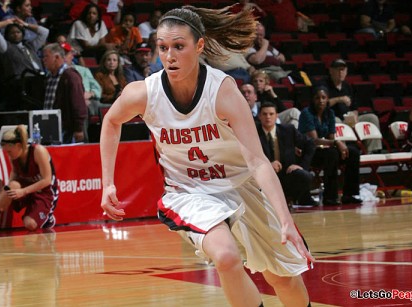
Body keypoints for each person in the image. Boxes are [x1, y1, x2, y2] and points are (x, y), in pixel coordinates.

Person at [100, 6, 313, 307]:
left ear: (199, 46)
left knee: (282, 278)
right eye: (162, 47)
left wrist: (285, 219)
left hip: (242, 185)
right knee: (226, 257)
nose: (169, 55)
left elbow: (258, 161)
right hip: (189, 191)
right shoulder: (144, 93)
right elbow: (111, 121)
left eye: (178, 46)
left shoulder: (223, 91)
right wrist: (107, 183)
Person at [0, 125, 58, 235]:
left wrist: (23, 191)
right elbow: (14, 173)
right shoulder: (14, 154)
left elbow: (47, 180)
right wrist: (7, 190)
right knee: (11, 186)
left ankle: (48, 219)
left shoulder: (38, 151)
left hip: (44, 192)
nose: (8, 154)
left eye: (9, 151)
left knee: (30, 224)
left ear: (18, 145)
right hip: (26, 189)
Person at [298, 86, 362, 206]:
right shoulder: (306, 113)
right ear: (313, 99)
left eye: (324, 97)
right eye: (317, 98)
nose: (321, 100)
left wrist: (338, 145)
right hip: (309, 152)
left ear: (327, 99)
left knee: (352, 152)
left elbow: (331, 137)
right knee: (332, 154)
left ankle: (349, 194)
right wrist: (337, 143)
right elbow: (314, 140)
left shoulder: (330, 113)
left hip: (325, 149)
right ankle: (330, 196)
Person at [257, 102, 317, 208]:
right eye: (265, 114)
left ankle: (296, 199)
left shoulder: (288, 130)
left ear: (276, 116)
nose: (268, 117)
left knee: (304, 175)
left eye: (271, 114)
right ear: (259, 116)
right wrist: (267, 165)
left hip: (286, 174)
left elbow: (310, 144)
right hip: (263, 177)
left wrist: (302, 166)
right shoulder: (254, 134)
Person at [320, 59, 382, 154]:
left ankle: (373, 151)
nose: (341, 73)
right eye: (338, 70)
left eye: (343, 70)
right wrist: (338, 99)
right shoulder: (323, 85)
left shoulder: (347, 86)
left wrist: (354, 116)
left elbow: (354, 107)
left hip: (347, 119)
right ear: (331, 71)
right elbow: (321, 104)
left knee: (372, 118)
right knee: (336, 120)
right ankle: (342, 151)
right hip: (329, 119)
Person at [0, 17, 48, 110]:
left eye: (18, 32)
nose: (15, 35)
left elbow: (45, 32)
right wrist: (7, 22)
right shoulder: (5, 47)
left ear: (23, 34)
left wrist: (25, 24)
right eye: (12, 33)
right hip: (20, 84)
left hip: (38, 81)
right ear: (7, 35)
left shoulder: (30, 46)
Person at [42, 43, 87, 143]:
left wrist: (78, 128)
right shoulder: (49, 77)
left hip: (66, 129)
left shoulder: (70, 76)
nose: (43, 59)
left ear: (57, 57)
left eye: (46, 56)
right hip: (50, 127)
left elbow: (78, 103)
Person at [61, 41, 103, 118]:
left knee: (116, 110)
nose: (63, 57)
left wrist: (90, 94)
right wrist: (80, 98)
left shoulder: (83, 70)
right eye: (61, 54)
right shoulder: (55, 73)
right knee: (82, 109)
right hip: (74, 104)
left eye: (66, 54)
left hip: (91, 101)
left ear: (72, 56)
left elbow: (98, 89)